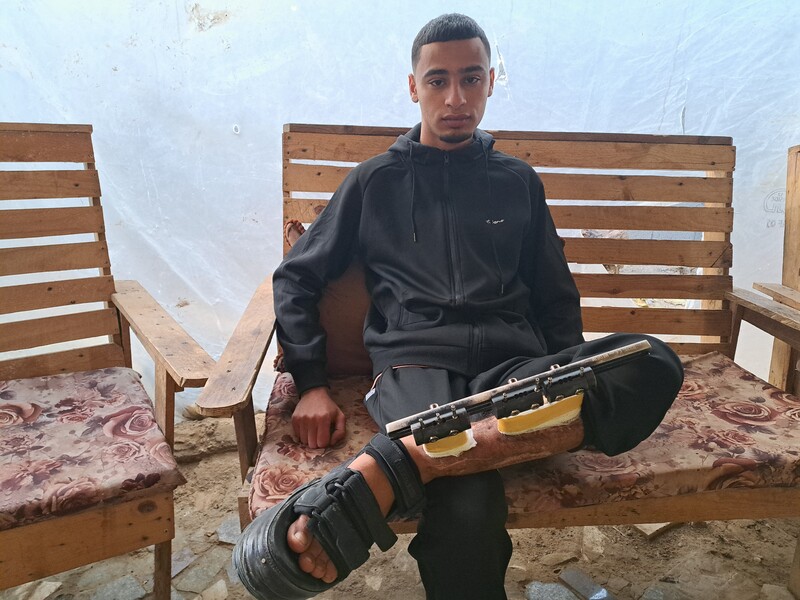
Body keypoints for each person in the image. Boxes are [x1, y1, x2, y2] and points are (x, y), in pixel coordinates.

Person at [242, 13, 684, 600]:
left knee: (652, 359)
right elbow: (297, 277)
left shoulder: (517, 181)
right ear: (413, 86)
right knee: (468, 498)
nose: (456, 98)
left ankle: (394, 467)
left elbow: (554, 295)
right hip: (417, 368)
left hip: (511, 372)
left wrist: (570, 379)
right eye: (438, 80)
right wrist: (312, 382)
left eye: (472, 79)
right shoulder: (375, 182)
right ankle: (437, 452)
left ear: (491, 81)